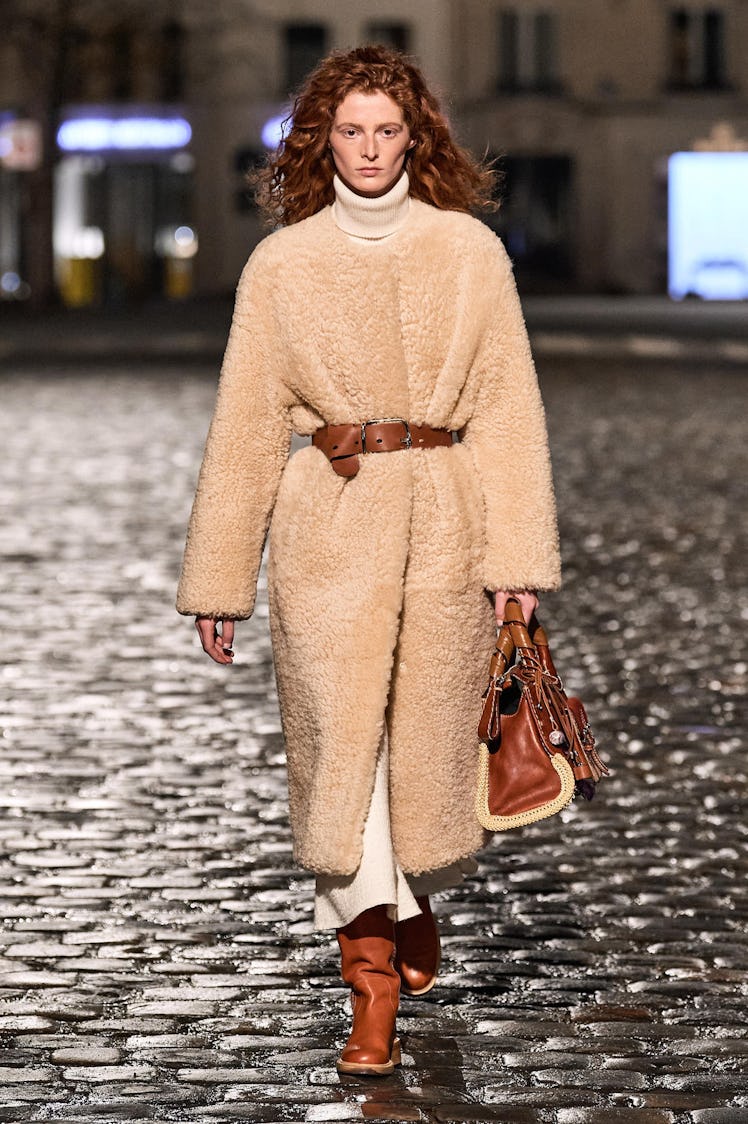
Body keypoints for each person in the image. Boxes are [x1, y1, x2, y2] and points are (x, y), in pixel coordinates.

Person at [176, 45, 561, 1077]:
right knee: (346, 759)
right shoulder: (283, 264)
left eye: (387, 130)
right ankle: (373, 981)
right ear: (320, 139)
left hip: (444, 520)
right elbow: (247, 424)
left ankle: (411, 894)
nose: (370, 149)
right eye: (350, 130)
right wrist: (221, 577)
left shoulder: (468, 252)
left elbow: (508, 409)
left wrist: (514, 557)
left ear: (415, 136)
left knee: (424, 751)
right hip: (328, 528)